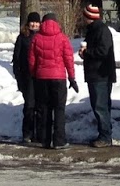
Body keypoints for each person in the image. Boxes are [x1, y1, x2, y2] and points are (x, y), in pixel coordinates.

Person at [28, 9, 75, 150]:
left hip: (42, 78)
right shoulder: (63, 38)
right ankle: (59, 140)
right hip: (58, 78)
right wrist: (72, 77)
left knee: (44, 109)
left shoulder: (36, 38)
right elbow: (69, 59)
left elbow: (32, 60)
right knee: (59, 109)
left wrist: (34, 74)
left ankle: (45, 140)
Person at [78, 3, 116, 147]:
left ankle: (105, 136)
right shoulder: (95, 30)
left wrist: (87, 52)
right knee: (101, 106)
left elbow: (103, 51)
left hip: (100, 74)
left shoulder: (100, 30)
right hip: (98, 73)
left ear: (89, 17)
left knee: (100, 106)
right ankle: (104, 133)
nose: (83, 19)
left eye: (85, 16)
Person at [11, 12, 42, 145]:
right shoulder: (22, 37)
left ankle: (40, 134)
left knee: (40, 107)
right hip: (27, 77)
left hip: (40, 77)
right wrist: (19, 78)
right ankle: (27, 133)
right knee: (29, 106)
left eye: (36, 22)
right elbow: (16, 59)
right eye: (32, 22)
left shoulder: (42, 36)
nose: (34, 24)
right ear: (28, 23)